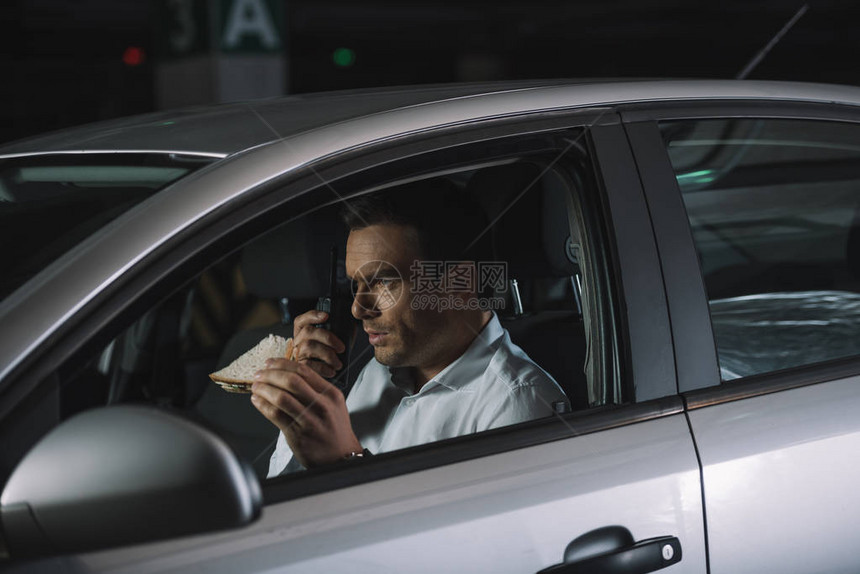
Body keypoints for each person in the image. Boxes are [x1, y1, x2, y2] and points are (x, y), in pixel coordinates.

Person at [250, 179, 568, 476]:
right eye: (356, 284)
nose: (358, 308)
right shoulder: (377, 371)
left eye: (384, 281)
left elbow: (469, 537)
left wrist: (345, 462)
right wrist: (304, 405)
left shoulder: (518, 405)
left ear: (460, 283)